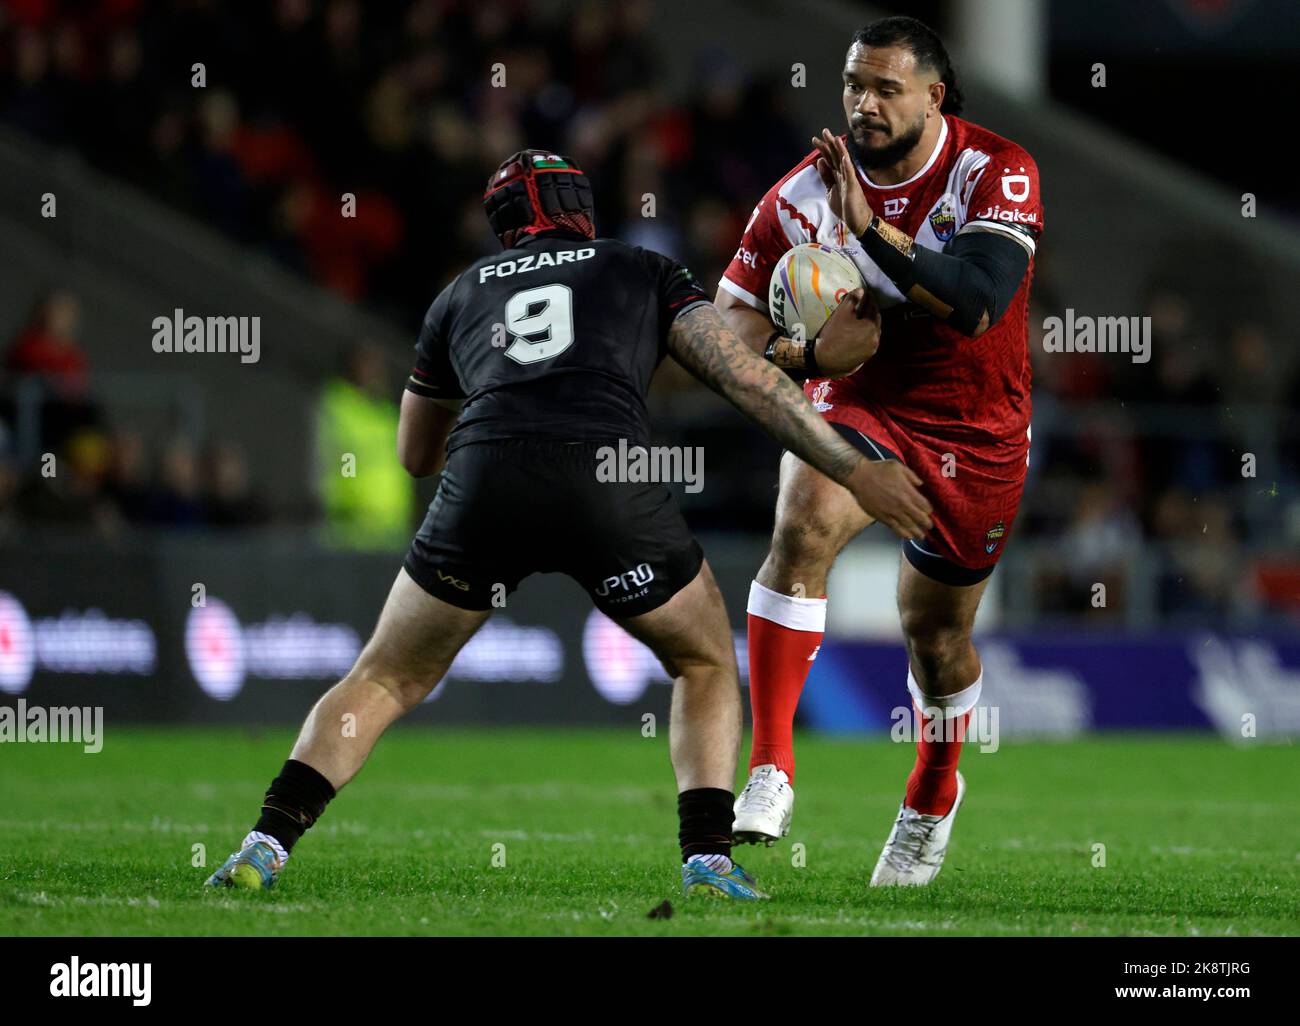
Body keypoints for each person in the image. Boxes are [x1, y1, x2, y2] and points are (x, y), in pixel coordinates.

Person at [207, 149, 930, 900]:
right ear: (583, 207)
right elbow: (741, 378)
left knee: (385, 677)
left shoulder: (459, 295)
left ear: (503, 225)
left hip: (486, 482)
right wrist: (847, 456)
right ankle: (709, 857)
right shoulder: (638, 267)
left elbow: (416, 455)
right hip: (606, 481)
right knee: (705, 662)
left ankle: (264, 845)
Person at [717, 17, 1043, 886]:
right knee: (806, 517)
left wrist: (870, 234)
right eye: (854, 84)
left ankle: (933, 793)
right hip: (864, 402)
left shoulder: (995, 170)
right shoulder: (796, 196)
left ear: (934, 97)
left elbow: (977, 302)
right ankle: (771, 767)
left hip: (978, 429)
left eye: (886, 87)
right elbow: (724, 333)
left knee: (935, 641)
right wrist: (803, 357)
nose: (864, 102)